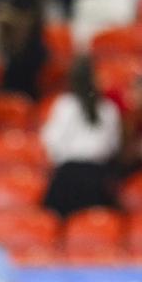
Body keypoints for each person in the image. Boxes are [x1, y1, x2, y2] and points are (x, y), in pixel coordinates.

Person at [41, 57, 122, 217]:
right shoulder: (107, 109)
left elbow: (50, 141)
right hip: (92, 178)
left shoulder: (66, 105)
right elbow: (113, 146)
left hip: (71, 177)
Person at [0, 0, 49, 99]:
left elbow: (28, 19)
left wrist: (8, 15)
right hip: (21, 50)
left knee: (21, 92)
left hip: (27, 50)